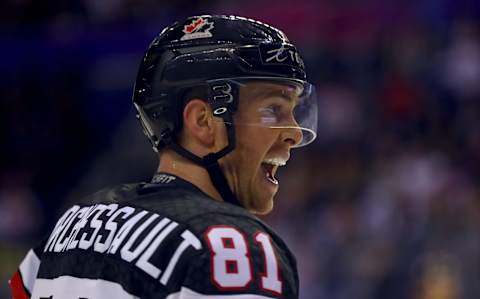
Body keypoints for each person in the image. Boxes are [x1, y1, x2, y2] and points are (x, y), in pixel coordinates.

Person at [9, 15, 318, 299]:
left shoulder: (72, 223)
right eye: (272, 109)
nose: (294, 132)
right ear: (203, 121)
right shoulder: (231, 246)